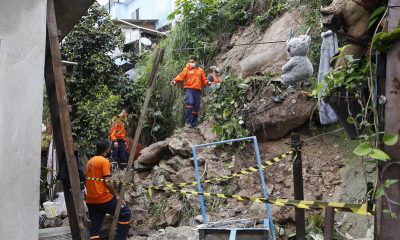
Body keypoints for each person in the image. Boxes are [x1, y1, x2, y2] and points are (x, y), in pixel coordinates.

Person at [85, 141, 131, 240]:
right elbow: (108, 182)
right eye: (109, 149)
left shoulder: (90, 161)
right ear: (106, 149)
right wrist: (116, 196)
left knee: (95, 228)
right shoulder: (104, 161)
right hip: (103, 199)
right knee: (125, 212)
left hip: (91, 200)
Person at [171, 56, 210, 128]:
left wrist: (208, 83)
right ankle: (187, 122)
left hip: (197, 90)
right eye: (190, 62)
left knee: (196, 107)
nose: (191, 63)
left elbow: (204, 80)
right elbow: (181, 76)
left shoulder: (200, 70)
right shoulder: (186, 69)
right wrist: (175, 80)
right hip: (189, 89)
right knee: (190, 102)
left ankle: (193, 124)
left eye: (192, 62)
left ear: (196, 62)